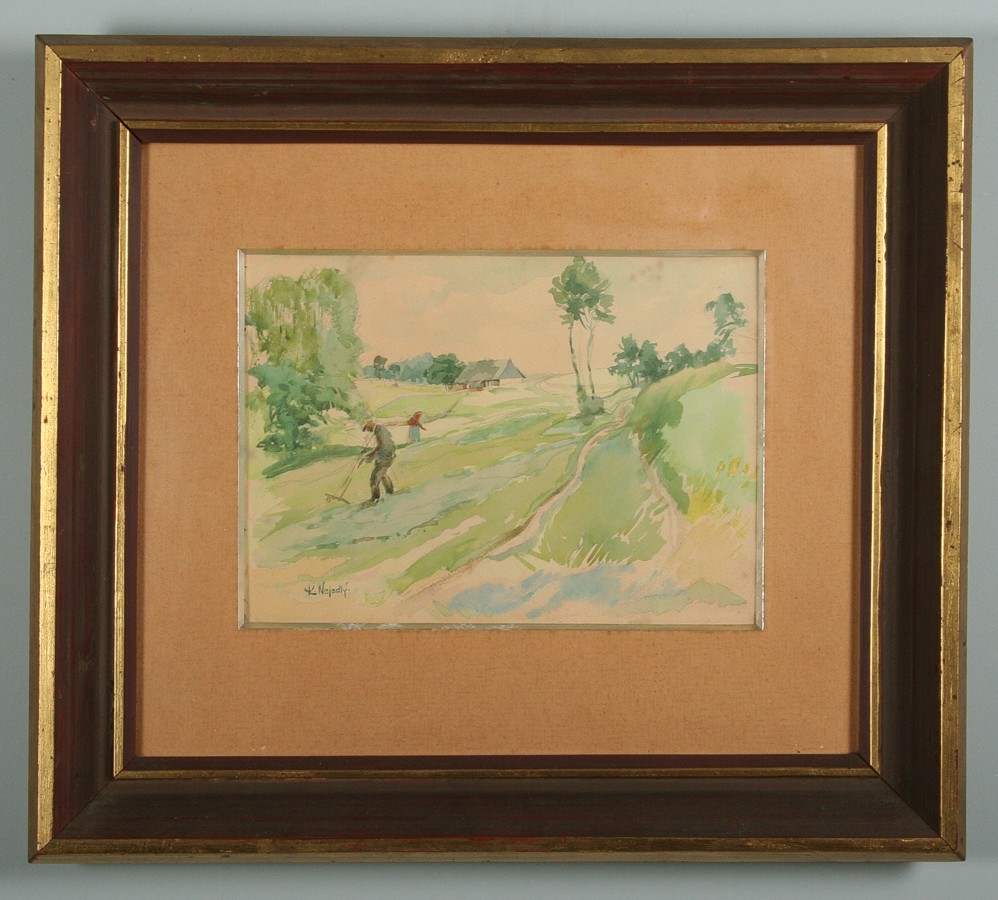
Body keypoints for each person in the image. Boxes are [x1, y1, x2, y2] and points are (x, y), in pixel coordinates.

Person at [362, 419, 396, 502]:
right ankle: (390, 492)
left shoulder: (379, 430)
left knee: (374, 479)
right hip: (387, 456)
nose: (367, 430)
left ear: (369, 425)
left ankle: (375, 498)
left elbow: (380, 445)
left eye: (367, 428)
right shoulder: (380, 429)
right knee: (383, 475)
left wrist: (370, 454)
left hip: (384, 458)